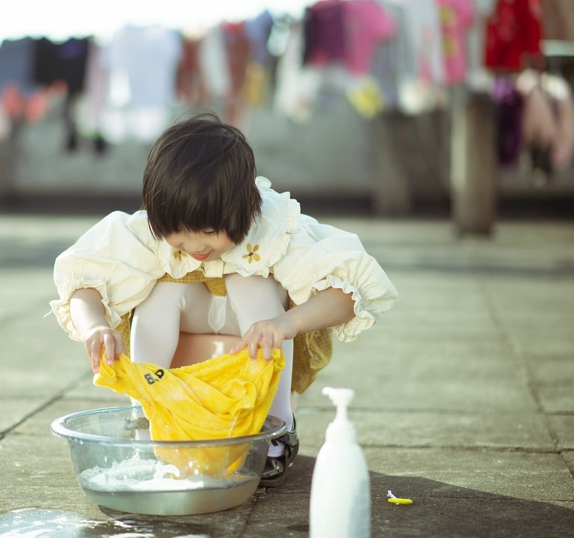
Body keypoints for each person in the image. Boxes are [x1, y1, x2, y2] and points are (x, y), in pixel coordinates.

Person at [50, 112, 397, 486]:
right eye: (178, 236)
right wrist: (96, 326)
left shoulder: (274, 229)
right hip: (193, 313)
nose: (196, 247)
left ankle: (273, 431)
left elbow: (347, 292)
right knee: (160, 292)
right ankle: (147, 421)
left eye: (209, 233)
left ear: (246, 207)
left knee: (251, 283)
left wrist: (286, 323)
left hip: (254, 323)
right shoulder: (150, 230)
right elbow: (84, 280)